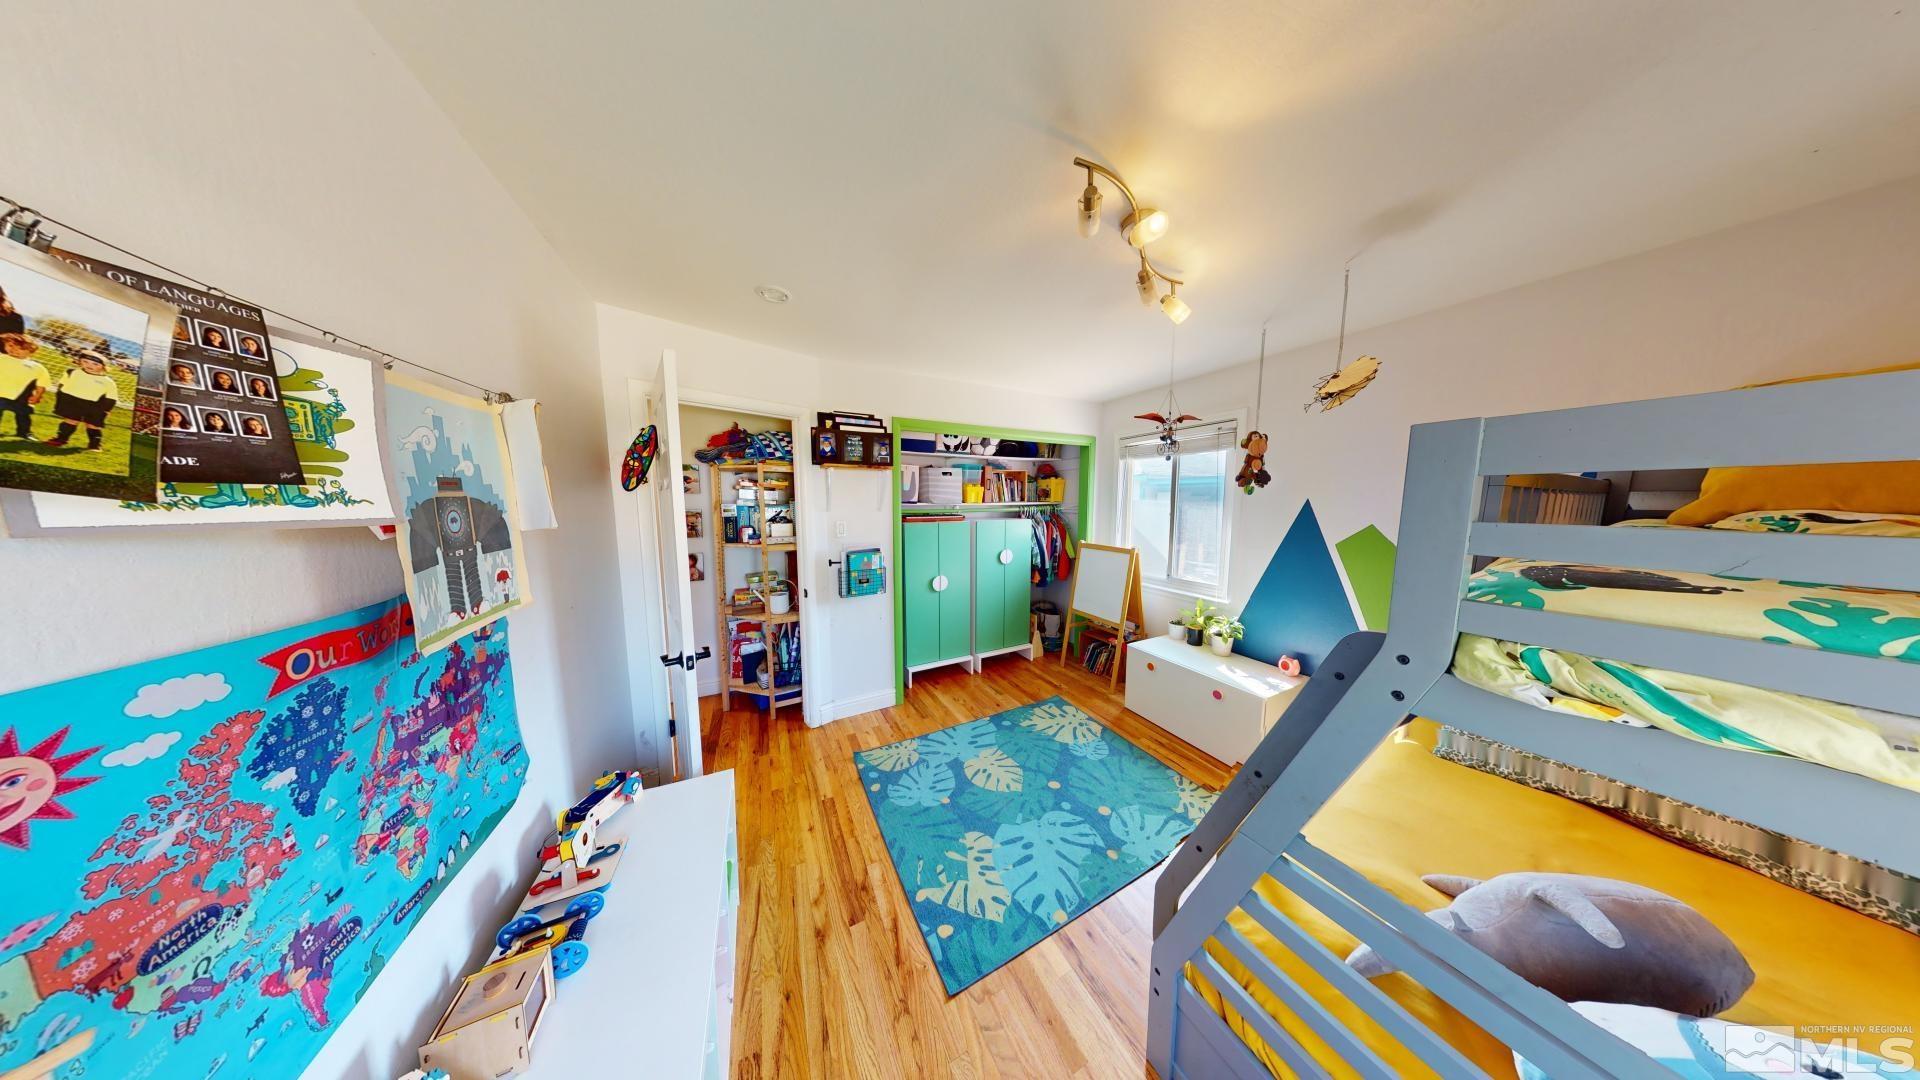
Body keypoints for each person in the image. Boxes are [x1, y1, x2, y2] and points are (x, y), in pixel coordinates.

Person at [43, 350, 119, 452]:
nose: (89, 365)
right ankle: (60, 439)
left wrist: (106, 410)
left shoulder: (108, 382)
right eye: (85, 362)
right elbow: (62, 386)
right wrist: (61, 399)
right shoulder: (72, 372)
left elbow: (111, 397)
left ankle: (94, 445)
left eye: (95, 364)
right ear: (79, 362)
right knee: (70, 421)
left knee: (93, 425)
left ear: (103, 367)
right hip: (73, 402)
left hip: (95, 405)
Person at [0, 310, 51, 440]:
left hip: (21, 397)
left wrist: (37, 395)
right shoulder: (1, 358)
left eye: (19, 348)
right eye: (9, 346)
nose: (13, 350)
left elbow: (42, 384)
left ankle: (24, 432)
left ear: (30, 350)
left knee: (23, 415)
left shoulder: (36, 367)